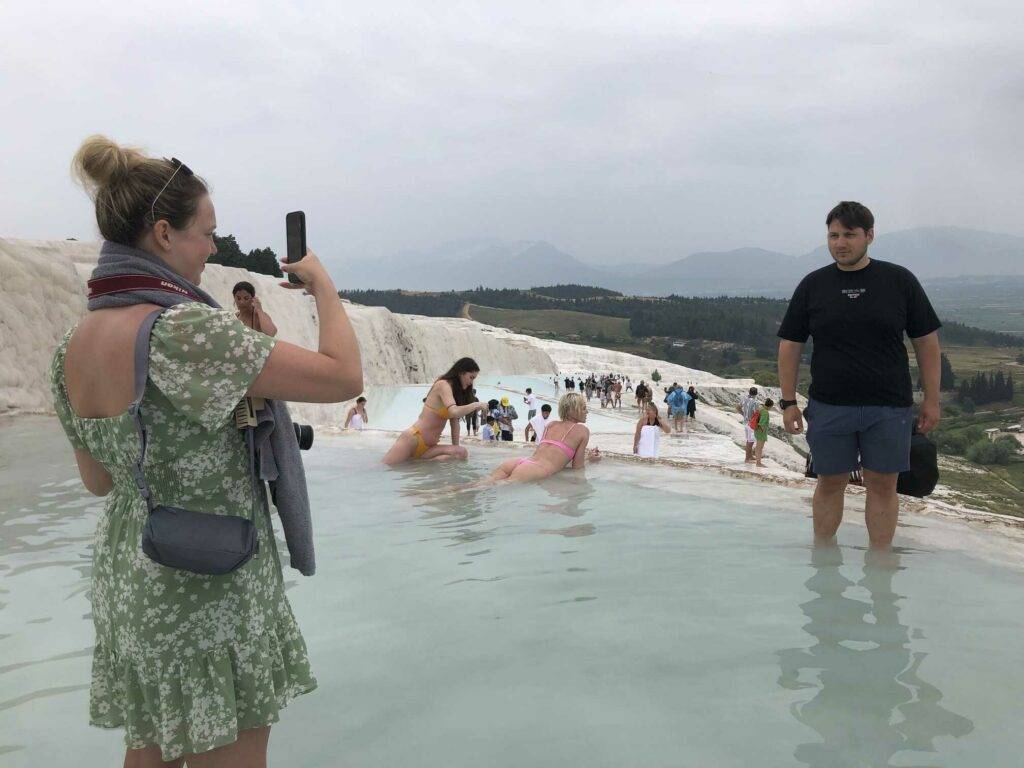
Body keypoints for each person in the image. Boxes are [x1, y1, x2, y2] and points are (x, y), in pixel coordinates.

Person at [53, 135, 364, 766]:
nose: (214, 248)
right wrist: (323, 288)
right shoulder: (186, 330)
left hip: (129, 577)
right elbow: (343, 377)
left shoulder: (72, 345)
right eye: (206, 232)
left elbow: (99, 482)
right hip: (208, 582)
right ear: (164, 235)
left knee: (151, 753)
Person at [778, 201, 942, 549]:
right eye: (833, 235)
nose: (840, 243)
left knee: (883, 485)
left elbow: (926, 342)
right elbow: (790, 345)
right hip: (830, 405)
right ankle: (823, 557)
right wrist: (788, 401)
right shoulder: (814, 285)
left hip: (889, 408)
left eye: (849, 235)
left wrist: (932, 399)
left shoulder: (899, 281)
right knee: (829, 482)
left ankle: (880, 563)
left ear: (869, 235)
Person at [478, 392, 601, 487]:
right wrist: (590, 460)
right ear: (573, 410)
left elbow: (553, 454)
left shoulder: (551, 425)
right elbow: (577, 468)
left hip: (520, 462)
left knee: (478, 485)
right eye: (584, 408)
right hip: (536, 470)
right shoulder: (582, 431)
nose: (587, 412)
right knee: (494, 488)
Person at [382, 358, 489, 464]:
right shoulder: (443, 384)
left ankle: (420, 466)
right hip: (413, 439)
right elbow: (454, 411)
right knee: (382, 469)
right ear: (461, 372)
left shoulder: (454, 393)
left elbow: (454, 423)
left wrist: (455, 448)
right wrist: (476, 405)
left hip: (429, 448)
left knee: (461, 453)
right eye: (471, 377)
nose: (471, 382)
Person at [737, 387, 759, 463]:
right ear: (756, 393)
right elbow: (756, 413)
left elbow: (737, 407)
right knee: (751, 441)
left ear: (749, 392)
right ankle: (747, 458)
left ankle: (750, 456)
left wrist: (743, 414)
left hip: (746, 422)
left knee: (748, 440)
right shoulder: (755, 402)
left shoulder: (744, 399)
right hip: (751, 424)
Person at [752, 398, 774, 467]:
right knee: (759, 448)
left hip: (756, 430)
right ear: (770, 406)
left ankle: (758, 462)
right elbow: (762, 423)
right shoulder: (765, 412)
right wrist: (763, 431)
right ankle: (758, 463)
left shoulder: (760, 408)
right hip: (761, 431)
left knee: (758, 447)